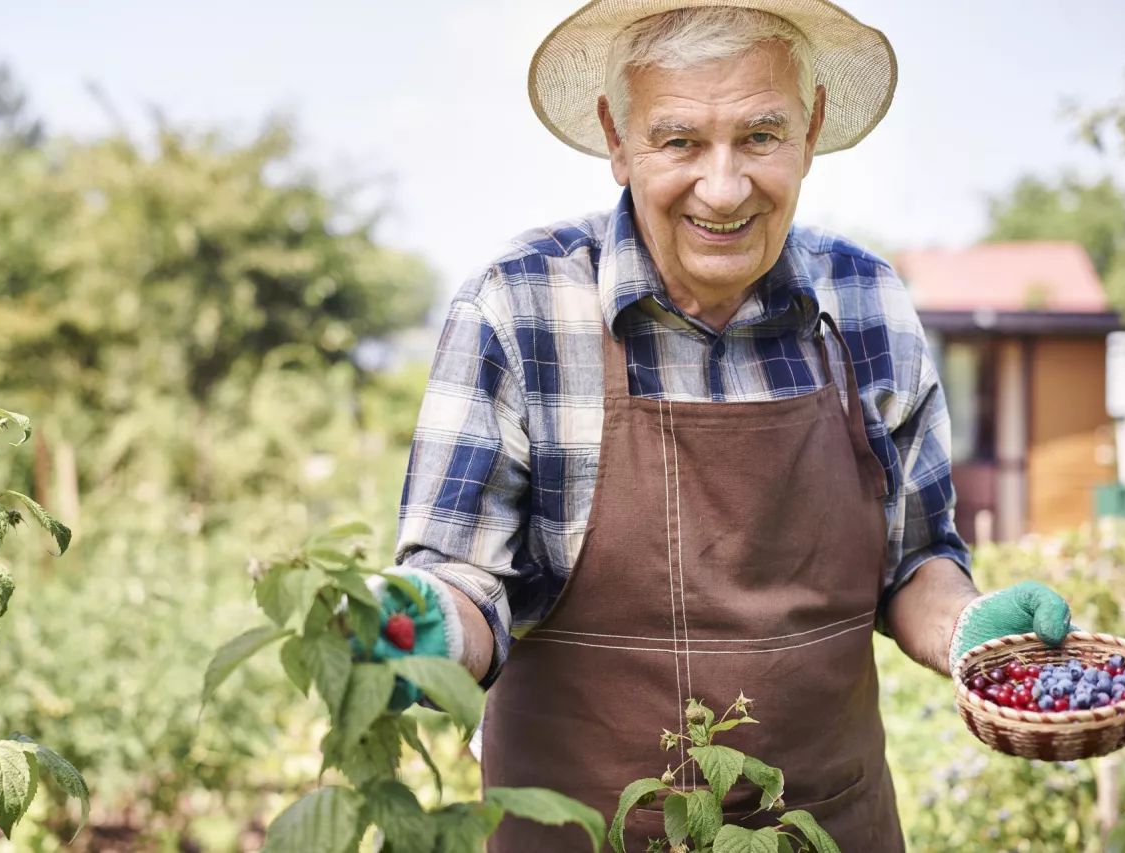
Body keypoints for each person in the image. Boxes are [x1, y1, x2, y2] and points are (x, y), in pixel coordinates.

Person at [359, 2, 1072, 849]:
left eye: (761, 136)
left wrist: (966, 625)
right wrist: (423, 623)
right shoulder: (519, 308)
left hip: (829, 829)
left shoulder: (868, 304)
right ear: (616, 140)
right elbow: (467, 579)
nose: (725, 187)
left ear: (809, 129)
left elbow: (914, 559)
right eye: (680, 142)